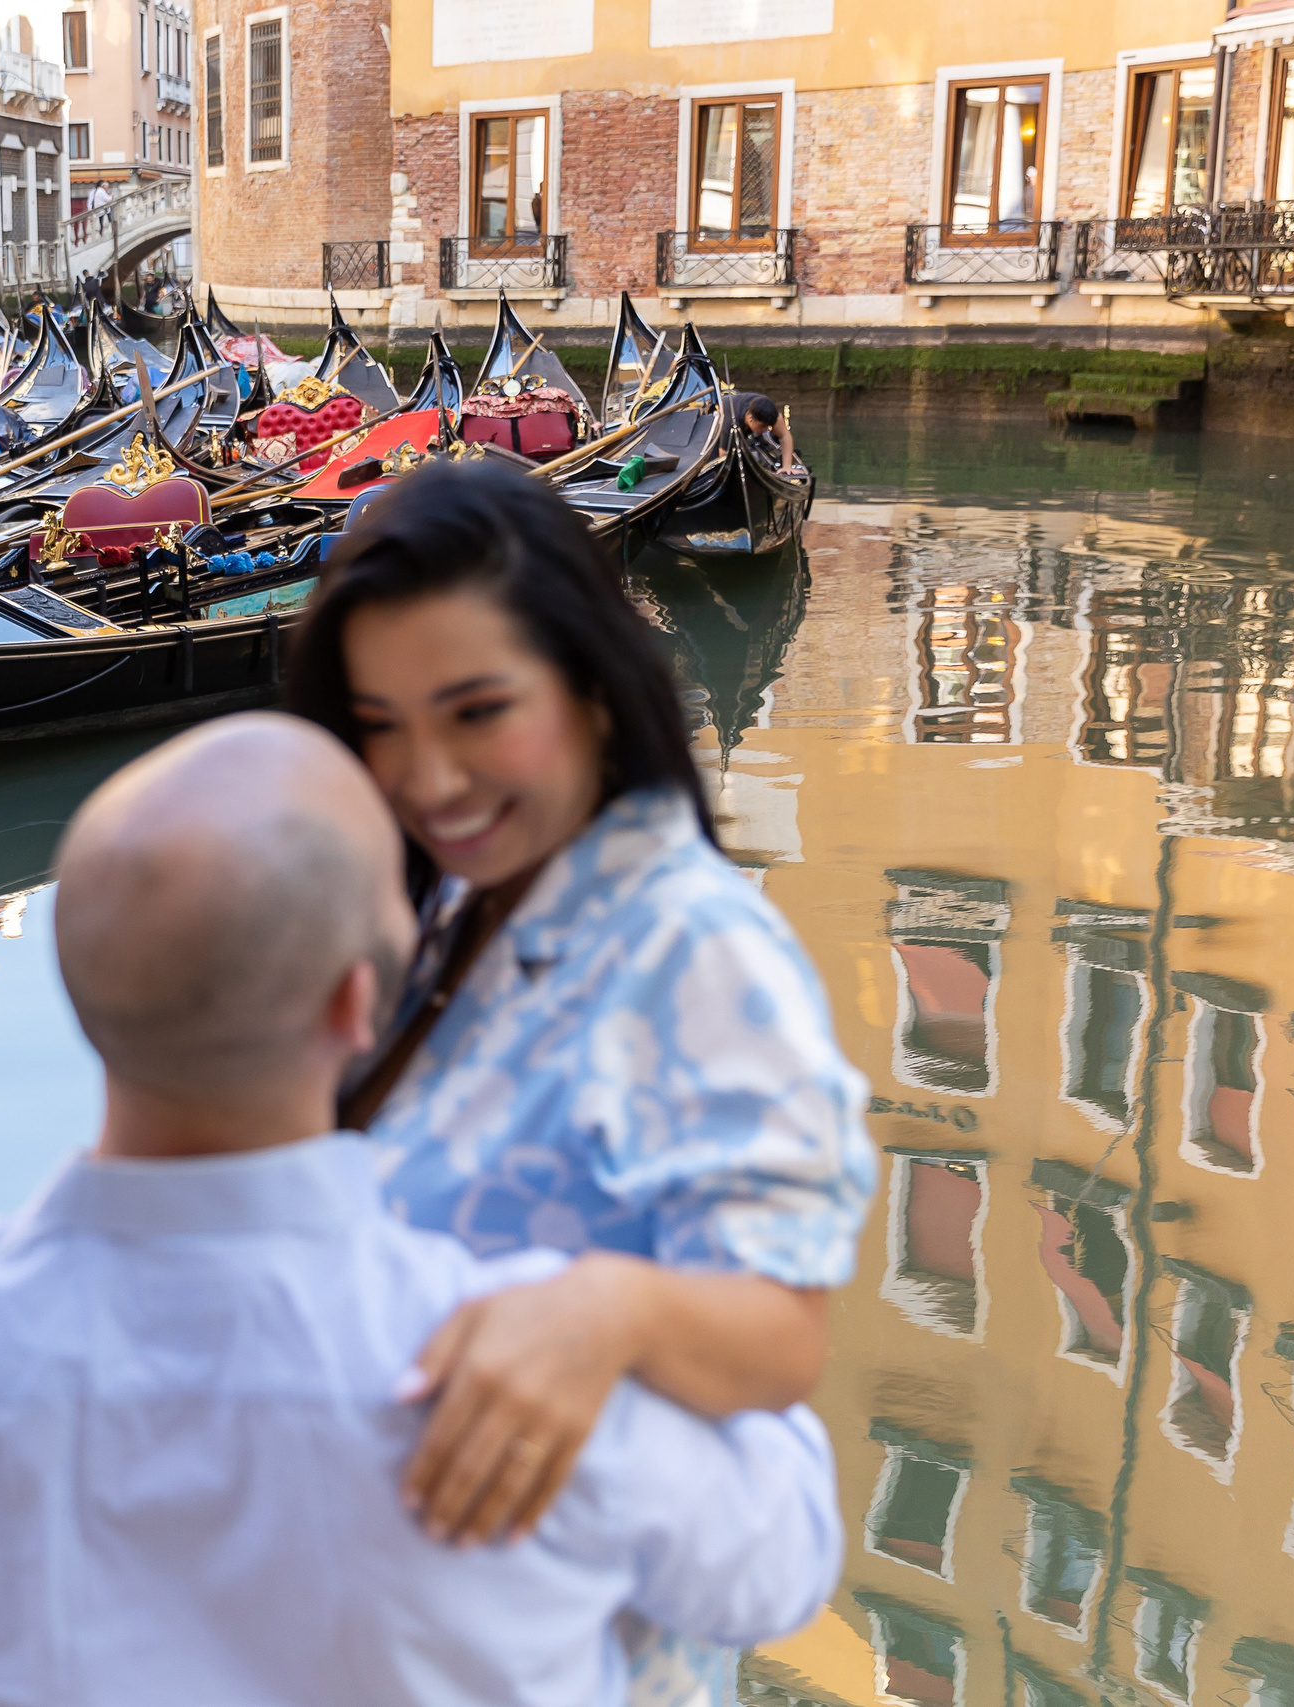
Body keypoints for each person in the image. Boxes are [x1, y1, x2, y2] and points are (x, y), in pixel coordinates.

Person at [0, 713, 845, 1703]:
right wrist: (628, 1300)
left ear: (83, 990)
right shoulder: (525, 1388)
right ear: (358, 1005)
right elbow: (782, 1561)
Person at [284, 458, 875, 1699]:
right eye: (380, 728)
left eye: (477, 712)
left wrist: (614, 1310)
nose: (428, 781)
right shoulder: (450, 898)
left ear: (592, 687)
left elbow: (780, 1338)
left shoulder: (699, 951)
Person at [731, 389, 801, 471]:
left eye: (769, 426)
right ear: (750, 418)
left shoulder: (773, 415)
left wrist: (787, 467)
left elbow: (785, 436)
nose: (766, 430)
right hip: (721, 418)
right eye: (763, 426)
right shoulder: (729, 420)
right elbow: (724, 455)